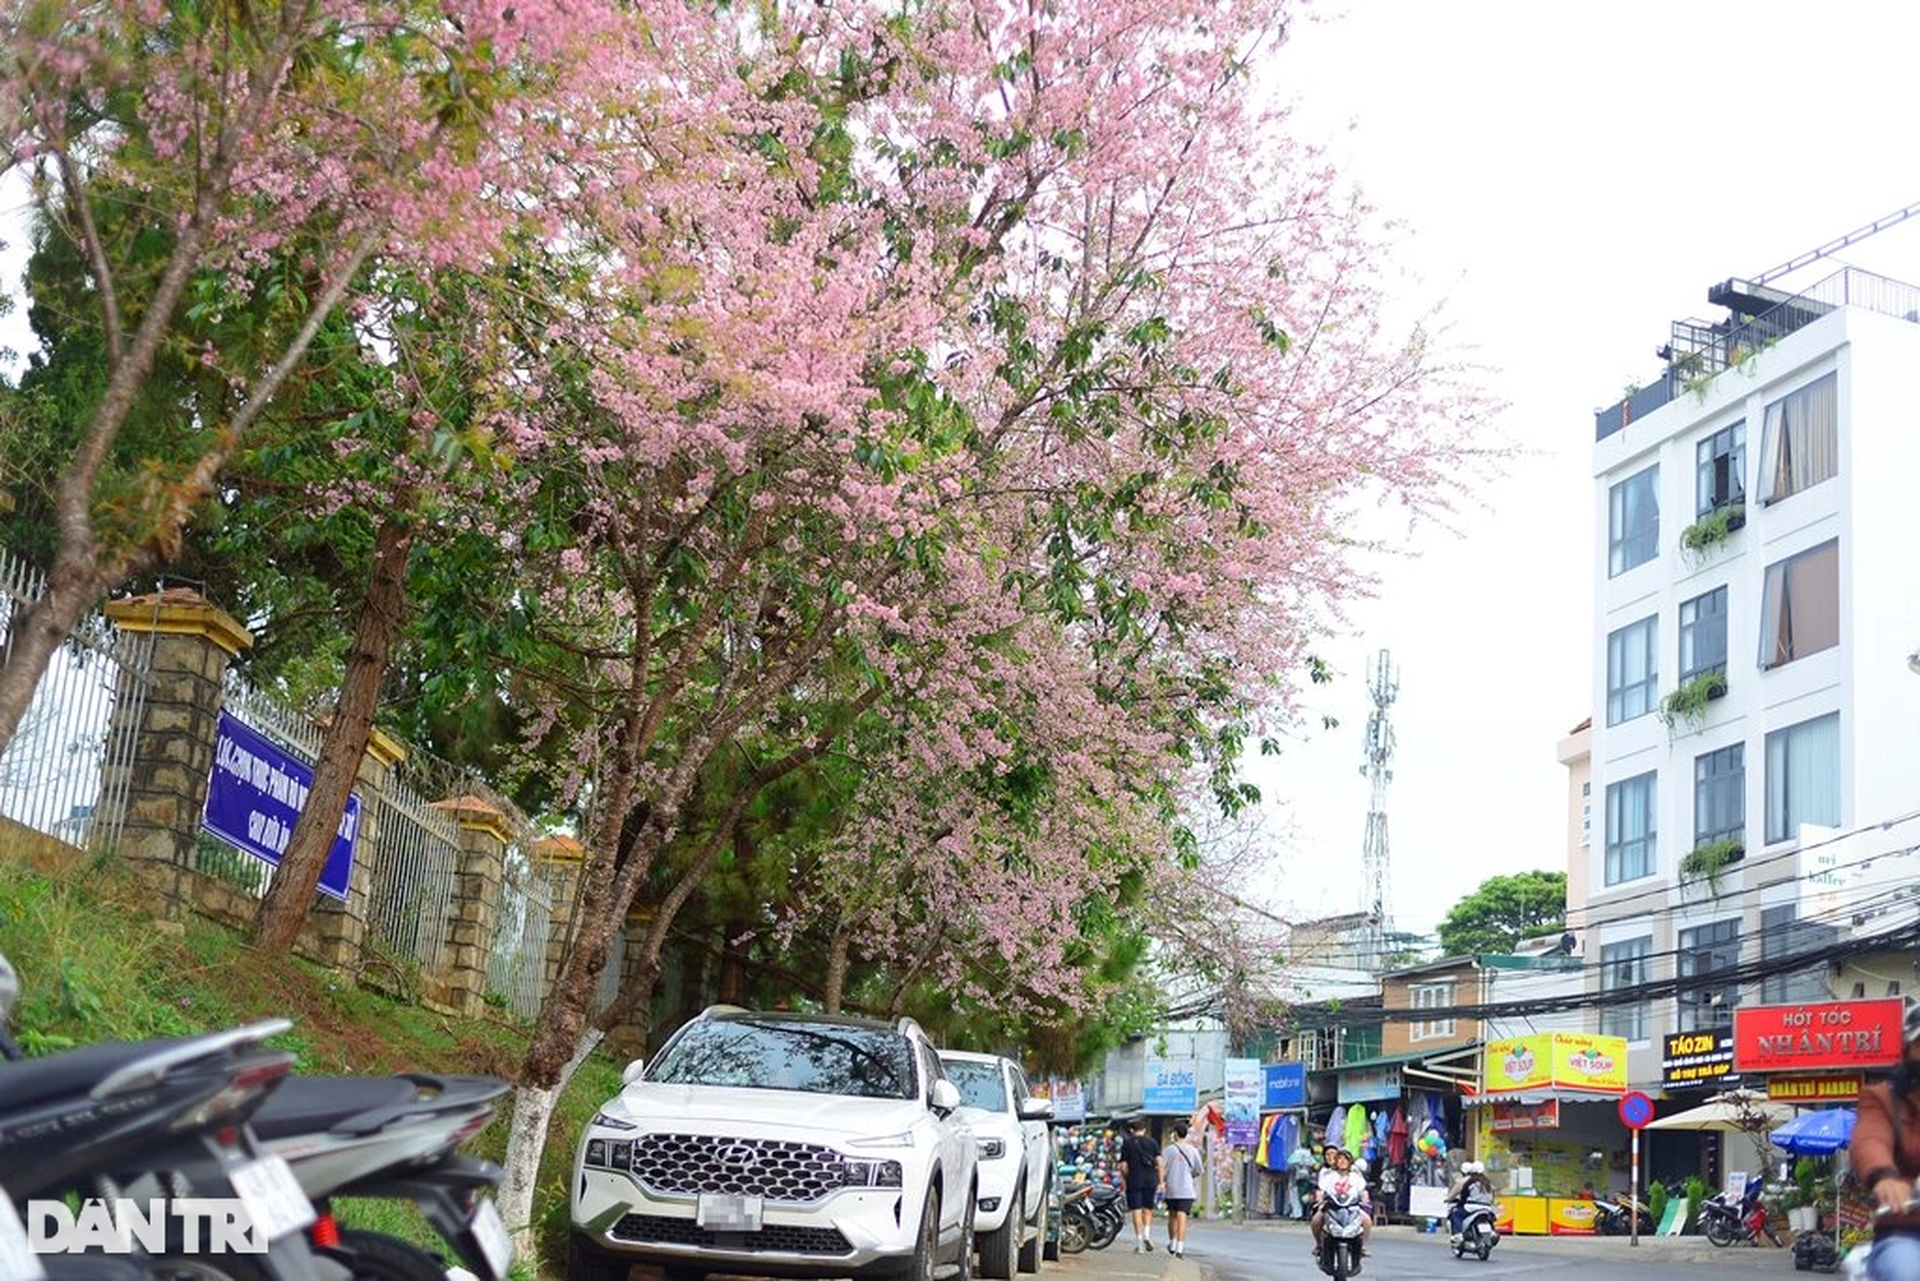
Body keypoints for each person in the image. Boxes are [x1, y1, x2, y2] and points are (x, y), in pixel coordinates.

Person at [1851, 999, 1920, 1281]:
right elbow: (1870, 1139)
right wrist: (1884, 1176)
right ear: (1908, 1050)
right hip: (1905, 1233)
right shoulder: (1882, 1099)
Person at [1310, 1146, 1373, 1258]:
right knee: (1316, 1220)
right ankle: (1318, 1245)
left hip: (1352, 1208)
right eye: (1340, 1159)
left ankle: (1363, 1247)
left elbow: (1363, 1192)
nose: (1342, 1162)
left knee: (1367, 1220)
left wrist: (1365, 1201)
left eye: (1345, 1159)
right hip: (1331, 1207)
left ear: (1350, 1162)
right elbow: (1320, 1191)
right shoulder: (1328, 1175)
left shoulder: (1355, 1176)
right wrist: (1319, 1201)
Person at [1119, 1116, 1163, 1252]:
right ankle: (1147, 1235)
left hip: (1134, 1180)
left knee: (1136, 1210)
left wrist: (1125, 1178)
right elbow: (1160, 1163)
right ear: (1144, 1129)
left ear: (1132, 1130)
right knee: (1147, 1209)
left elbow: (1124, 1166)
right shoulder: (1153, 1143)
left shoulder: (1127, 1144)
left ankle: (1139, 1243)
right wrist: (1161, 1181)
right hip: (1151, 1180)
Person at [1162, 1123, 1203, 1258]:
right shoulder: (1193, 1151)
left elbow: (1162, 1169)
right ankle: (1180, 1247)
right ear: (1186, 1135)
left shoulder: (1168, 1150)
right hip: (1186, 1189)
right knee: (1182, 1217)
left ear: (1175, 1134)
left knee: (1172, 1216)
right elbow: (1198, 1170)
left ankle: (1172, 1243)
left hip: (1171, 1188)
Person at [1446, 1161, 1494, 1242]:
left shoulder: (1470, 1182)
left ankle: (1458, 1234)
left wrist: (1454, 1201)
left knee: (1456, 1214)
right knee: (1490, 1217)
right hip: (1487, 1207)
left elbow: (1464, 1196)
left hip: (1471, 1207)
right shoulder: (1488, 1182)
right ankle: (1492, 1231)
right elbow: (1492, 1196)